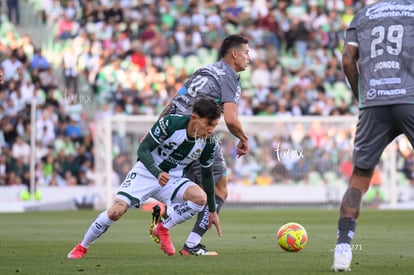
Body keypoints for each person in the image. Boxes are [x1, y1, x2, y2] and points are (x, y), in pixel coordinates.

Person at [67, 97, 223, 258]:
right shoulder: (171, 123)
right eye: (208, 124)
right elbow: (143, 149)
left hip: (172, 180)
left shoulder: (209, 142)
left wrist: (212, 210)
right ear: (194, 118)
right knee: (115, 212)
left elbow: (206, 175)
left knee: (199, 198)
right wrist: (156, 172)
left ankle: (162, 228)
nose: (211, 130)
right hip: (146, 173)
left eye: (214, 126)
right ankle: (82, 247)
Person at [332, 0, 414, 271]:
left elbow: (347, 60)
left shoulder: (363, 15)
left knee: (359, 178)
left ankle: (343, 251)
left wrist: (360, 96)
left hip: (374, 103)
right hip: (410, 99)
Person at [151, 34, 250, 256]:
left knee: (192, 185)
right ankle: (190, 242)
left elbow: (174, 102)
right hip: (197, 133)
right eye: (246, 52)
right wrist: (244, 139)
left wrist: (157, 130)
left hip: (173, 129)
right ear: (234, 54)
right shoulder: (230, 77)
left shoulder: (204, 70)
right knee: (219, 187)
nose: (248, 58)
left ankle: (171, 209)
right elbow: (231, 120)